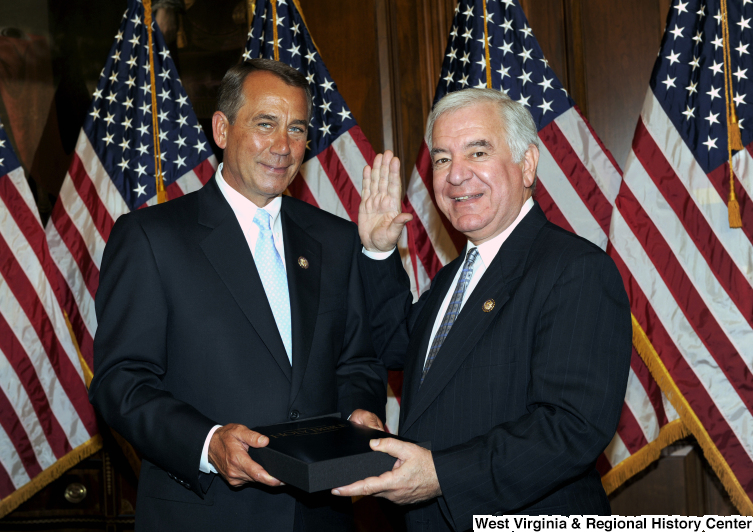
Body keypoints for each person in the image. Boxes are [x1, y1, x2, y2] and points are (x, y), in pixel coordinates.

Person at [89, 59, 387, 531]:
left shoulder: (335, 240)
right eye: (265, 124)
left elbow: (357, 363)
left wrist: (358, 413)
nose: (283, 147)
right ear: (222, 130)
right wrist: (207, 443)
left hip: (320, 517)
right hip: (208, 514)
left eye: (297, 129)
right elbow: (121, 380)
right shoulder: (152, 238)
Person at [333, 88, 631, 530]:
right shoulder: (457, 276)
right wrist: (378, 252)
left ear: (527, 165)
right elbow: (398, 345)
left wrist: (441, 475)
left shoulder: (576, 270)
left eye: (477, 151)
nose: (456, 176)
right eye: (441, 159)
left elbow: (571, 427)